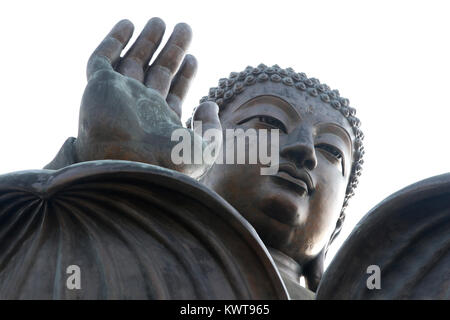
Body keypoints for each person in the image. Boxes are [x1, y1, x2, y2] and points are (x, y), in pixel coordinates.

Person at [44, 18, 364, 298]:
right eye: (269, 123)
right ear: (198, 154)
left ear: (337, 227)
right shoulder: (124, 265)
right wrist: (108, 180)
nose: (304, 151)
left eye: (332, 151)